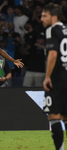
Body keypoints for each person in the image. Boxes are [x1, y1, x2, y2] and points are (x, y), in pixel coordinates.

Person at [41, 4, 67, 150]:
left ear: (54, 17)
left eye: (45, 16)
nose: (41, 19)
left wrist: (47, 77)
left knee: (54, 116)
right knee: (65, 116)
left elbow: (53, 54)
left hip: (56, 80)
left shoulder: (51, 30)